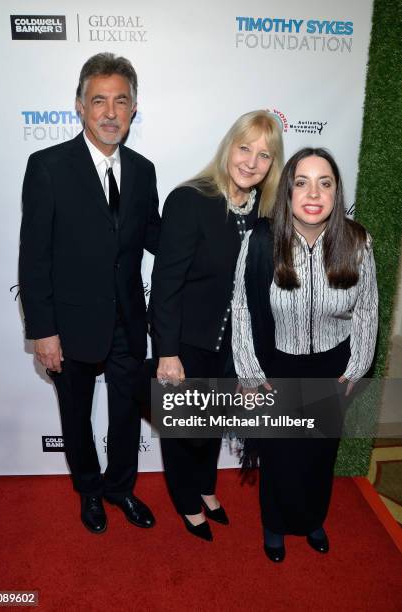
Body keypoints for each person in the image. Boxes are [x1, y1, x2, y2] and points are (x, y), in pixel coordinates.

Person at [19, 52, 160, 534]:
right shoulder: (48, 167)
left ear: (134, 108)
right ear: (79, 105)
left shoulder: (143, 171)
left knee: (126, 414)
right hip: (70, 323)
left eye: (121, 101)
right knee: (75, 415)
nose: (110, 112)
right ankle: (90, 491)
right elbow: (33, 258)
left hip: (128, 322)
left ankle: (121, 488)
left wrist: (215, 209)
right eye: (98, 100)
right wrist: (43, 331)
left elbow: (156, 237)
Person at [232, 147, 378, 561]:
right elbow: (242, 308)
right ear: (288, 191)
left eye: (325, 182)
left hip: (333, 366)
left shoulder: (357, 241)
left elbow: (367, 309)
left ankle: (312, 519)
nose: (313, 193)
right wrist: (249, 374)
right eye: (302, 182)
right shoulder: (260, 241)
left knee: (318, 453)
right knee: (279, 454)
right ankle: (275, 524)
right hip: (278, 364)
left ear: (335, 192)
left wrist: (354, 369)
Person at [150, 111, 284, 540]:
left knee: (212, 425)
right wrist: (166, 352)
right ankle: (187, 501)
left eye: (264, 155)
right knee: (184, 429)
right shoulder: (190, 199)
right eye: (245, 148)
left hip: (234, 347)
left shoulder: (265, 212)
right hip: (187, 343)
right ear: (229, 147)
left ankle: (207, 488)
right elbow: (166, 283)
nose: (251, 161)